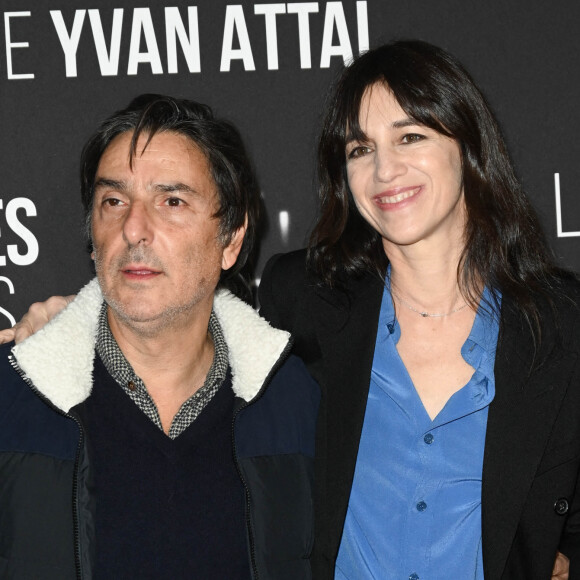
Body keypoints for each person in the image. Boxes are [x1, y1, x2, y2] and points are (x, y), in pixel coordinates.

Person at [3, 42, 578, 580]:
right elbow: (184, 312)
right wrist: (69, 322)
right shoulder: (304, 301)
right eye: (360, 149)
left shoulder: (560, 324)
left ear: (469, 146)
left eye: (410, 137)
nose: (385, 169)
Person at [0, 94, 319, 579]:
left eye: (171, 201)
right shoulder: (12, 398)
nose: (134, 228)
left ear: (230, 241)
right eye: (114, 201)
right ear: (93, 239)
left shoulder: (293, 399)